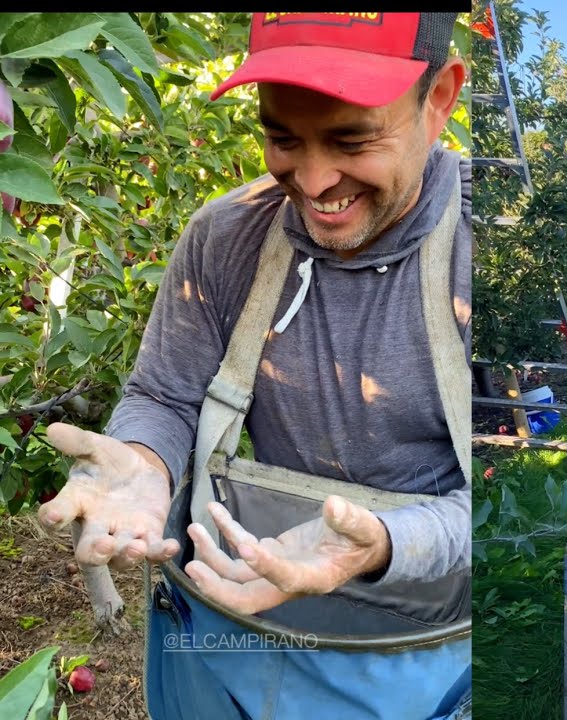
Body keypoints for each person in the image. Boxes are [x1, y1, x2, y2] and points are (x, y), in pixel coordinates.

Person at [35, 12, 472, 719]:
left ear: (441, 99)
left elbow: (498, 497)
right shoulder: (226, 236)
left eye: (351, 139)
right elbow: (166, 396)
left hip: (412, 663)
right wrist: (144, 464)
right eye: (281, 137)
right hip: (226, 642)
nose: (315, 179)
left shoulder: (485, 254)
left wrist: (389, 540)